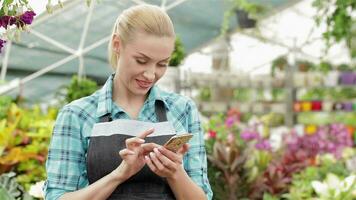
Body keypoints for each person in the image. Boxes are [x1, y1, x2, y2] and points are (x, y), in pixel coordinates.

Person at [44, 4, 213, 200]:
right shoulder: (77, 115)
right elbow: (57, 197)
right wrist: (119, 174)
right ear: (117, 44)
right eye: (141, 61)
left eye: (162, 64)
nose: (150, 74)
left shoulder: (182, 109)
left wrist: (175, 173)